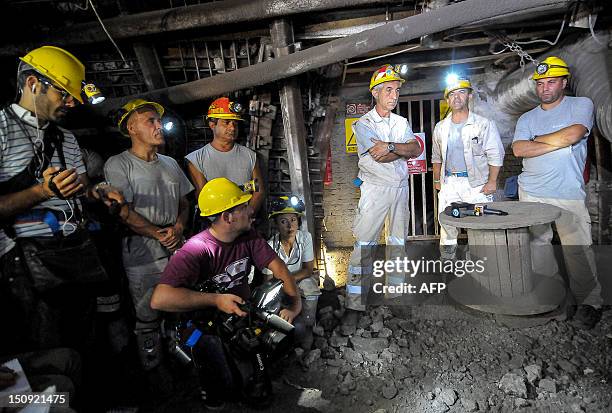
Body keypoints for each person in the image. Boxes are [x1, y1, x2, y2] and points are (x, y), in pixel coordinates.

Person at [0, 45, 123, 353]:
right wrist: (42, 192)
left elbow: (80, 189)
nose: (71, 102)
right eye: (63, 93)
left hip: (75, 254)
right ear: (33, 83)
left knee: (82, 344)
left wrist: (98, 192)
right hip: (24, 262)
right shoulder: (1, 129)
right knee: (46, 352)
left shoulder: (65, 137)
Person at [150, 177, 301, 407]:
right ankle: (213, 394)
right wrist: (215, 300)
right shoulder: (195, 250)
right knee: (222, 379)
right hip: (204, 325)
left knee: (282, 339)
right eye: (243, 207)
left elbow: (278, 267)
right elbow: (159, 299)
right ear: (227, 217)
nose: (251, 210)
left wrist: (293, 305)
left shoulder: (248, 237)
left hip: (239, 314)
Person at [511, 56, 602, 328]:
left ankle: (589, 302)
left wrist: (537, 140)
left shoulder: (581, 105)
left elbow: (574, 134)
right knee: (538, 247)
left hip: (567, 191)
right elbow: (518, 150)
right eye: (540, 84)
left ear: (564, 82)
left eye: (551, 82)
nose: (545, 88)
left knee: (577, 248)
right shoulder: (527, 117)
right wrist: (556, 142)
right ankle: (552, 300)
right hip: (532, 191)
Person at [103, 98, 194, 371]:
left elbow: (185, 202)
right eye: (150, 121)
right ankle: (157, 379)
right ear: (132, 128)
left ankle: (185, 368)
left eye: (159, 121)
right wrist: (158, 233)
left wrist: (178, 228)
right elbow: (123, 211)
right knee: (148, 316)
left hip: (174, 244)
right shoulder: (119, 164)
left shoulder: (169, 163)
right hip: (142, 249)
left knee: (180, 309)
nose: (159, 126)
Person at [344, 64, 422, 328]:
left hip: (399, 189)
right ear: (375, 93)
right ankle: (355, 304)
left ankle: (396, 296)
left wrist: (391, 147)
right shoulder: (363, 124)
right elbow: (377, 155)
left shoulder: (401, 122)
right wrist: (400, 150)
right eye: (388, 90)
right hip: (375, 190)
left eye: (397, 90)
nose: (394, 95)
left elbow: (413, 149)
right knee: (365, 246)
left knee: (398, 243)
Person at [431, 76, 504, 259]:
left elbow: (496, 154)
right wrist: (438, 180)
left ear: (469, 96)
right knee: (447, 224)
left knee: (480, 225)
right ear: (447, 99)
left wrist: (492, 182)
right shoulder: (441, 127)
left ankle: (482, 264)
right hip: (449, 182)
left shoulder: (483, 124)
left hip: (476, 184)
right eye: (452, 94)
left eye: (461, 92)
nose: (456, 97)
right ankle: (447, 261)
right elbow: (436, 157)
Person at [185, 97, 265, 214]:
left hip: (244, 220)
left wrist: (246, 216)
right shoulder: (196, 159)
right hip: (216, 223)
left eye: (235, 123)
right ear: (212, 125)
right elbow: (203, 197)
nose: (232, 128)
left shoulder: (249, 155)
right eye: (226, 123)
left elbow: (259, 190)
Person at [263, 196, 320, 350]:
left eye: (293, 220)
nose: (290, 225)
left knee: (309, 286)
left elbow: (308, 269)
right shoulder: (269, 245)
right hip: (278, 284)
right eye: (283, 221)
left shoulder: (305, 238)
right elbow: (268, 279)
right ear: (275, 224)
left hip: (298, 279)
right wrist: (285, 284)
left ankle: (308, 327)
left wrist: (288, 279)